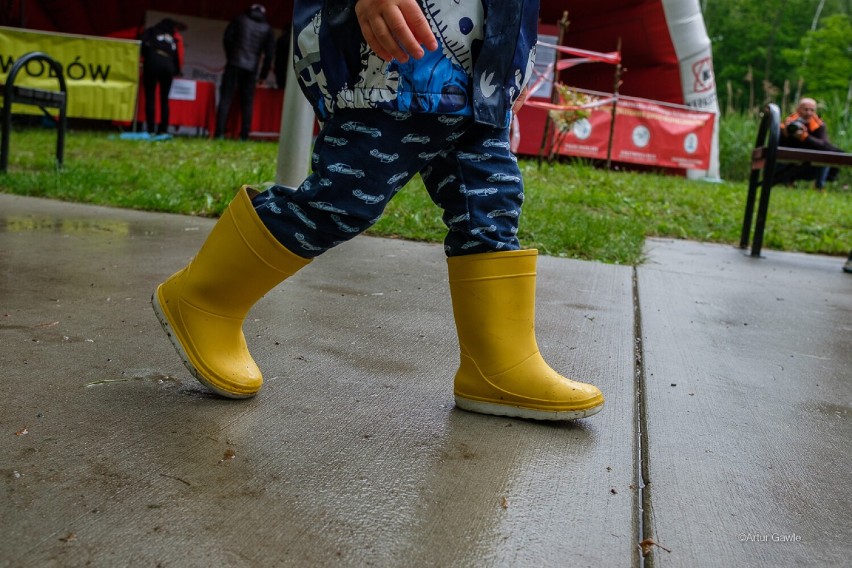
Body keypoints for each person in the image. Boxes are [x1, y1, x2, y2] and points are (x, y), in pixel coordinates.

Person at [152, 0, 605, 422]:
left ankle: (498, 365)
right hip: (397, 59)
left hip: (483, 76)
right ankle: (206, 298)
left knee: (493, 207)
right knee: (344, 199)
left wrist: (512, 62)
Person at [214, 4, 276, 140]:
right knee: (247, 103)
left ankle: (219, 134)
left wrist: (231, 57)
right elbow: (269, 55)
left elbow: (227, 39)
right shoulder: (267, 28)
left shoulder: (240, 19)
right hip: (251, 69)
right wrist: (262, 76)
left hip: (234, 64)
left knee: (225, 99)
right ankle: (244, 136)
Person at [775, 97, 842, 190]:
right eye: (805, 109)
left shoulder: (818, 125)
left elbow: (825, 145)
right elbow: (777, 145)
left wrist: (805, 137)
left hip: (810, 163)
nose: (808, 113)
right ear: (798, 109)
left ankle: (819, 186)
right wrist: (785, 133)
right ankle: (786, 181)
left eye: (812, 110)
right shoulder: (788, 123)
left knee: (831, 153)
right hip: (790, 160)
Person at [139, 18, 185, 135]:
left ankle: (150, 129)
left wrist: (145, 59)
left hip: (152, 64)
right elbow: (178, 56)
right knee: (164, 99)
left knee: (150, 97)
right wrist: (177, 70)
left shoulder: (151, 31)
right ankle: (163, 129)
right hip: (168, 66)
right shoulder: (174, 37)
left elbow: (141, 45)